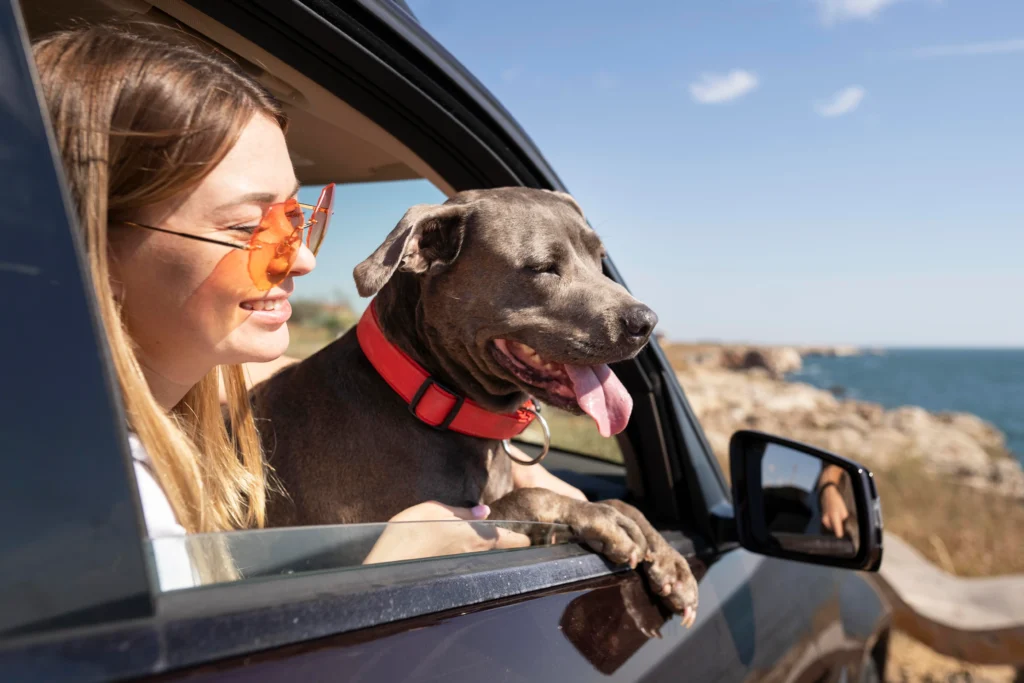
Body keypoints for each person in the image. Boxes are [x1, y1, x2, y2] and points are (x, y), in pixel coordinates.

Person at [34, 23, 560, 585]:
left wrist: (511, 455)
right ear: (90, 245)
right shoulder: (105, 509)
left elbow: (265, 371)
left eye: (295, 217)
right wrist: (380, 584)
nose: (302, 260)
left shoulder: (151, 407)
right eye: (244, 226)